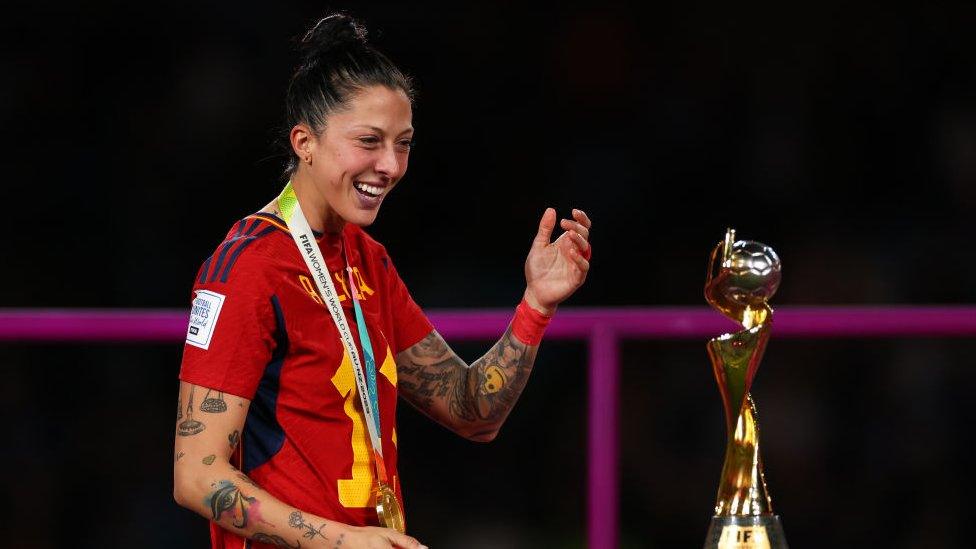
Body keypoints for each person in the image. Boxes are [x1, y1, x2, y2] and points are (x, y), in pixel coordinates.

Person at [173, 13, 592, 549]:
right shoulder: (249, 268)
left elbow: (471, 410)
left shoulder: (366, 261)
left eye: (404, 143)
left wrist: (536, 306)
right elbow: (197, 477)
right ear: (304, 141)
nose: (390, 165)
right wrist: (344, 541)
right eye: (369, 141)